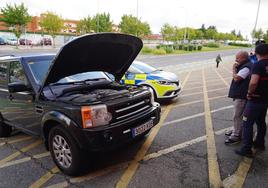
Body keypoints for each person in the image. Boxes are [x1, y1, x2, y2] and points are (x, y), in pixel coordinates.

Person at [235, 44, 268, 157]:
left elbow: (253, 82)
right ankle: (259, 143)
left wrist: (249, 93)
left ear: (256, 52)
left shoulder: (258, 65)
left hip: (255, 99)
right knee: (261, 122)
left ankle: (246, 149)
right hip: (265, 100)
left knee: (247, 123)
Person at [225, 51, 251, 145]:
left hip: (241, 96)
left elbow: (237, 79)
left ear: (243, 58)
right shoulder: (245, 65)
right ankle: (236, 130)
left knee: (237, 115)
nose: (236, 60)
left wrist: (233, 69)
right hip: (240, 95)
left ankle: (236, 135)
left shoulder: (246, 67)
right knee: (237, 115)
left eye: (237, 58)